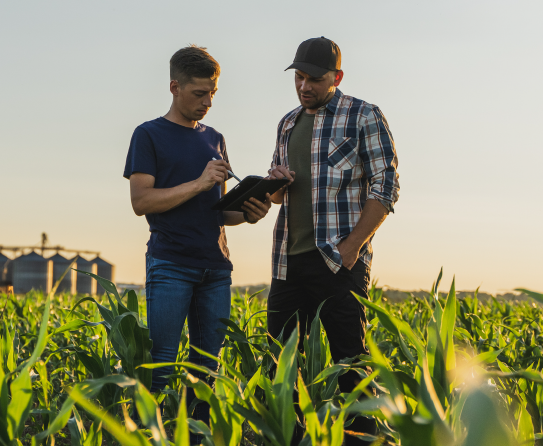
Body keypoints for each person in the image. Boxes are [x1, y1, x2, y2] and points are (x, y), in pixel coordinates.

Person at [266, 37, 399, 444]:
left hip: (339, 262)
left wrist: (352, 247)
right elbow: (275, 195)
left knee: (351, 366)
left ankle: (361, 440)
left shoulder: (363, 115)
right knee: (281, 367)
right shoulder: (287, 123)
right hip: (288, 262)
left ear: (336, 78)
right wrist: (274, 185)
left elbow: (386, 185)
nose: (305, 87)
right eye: (299, 78)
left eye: (315, 79)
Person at [123, 45, 274, 406]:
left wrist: (251, 212)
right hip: (171, 265)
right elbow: (141, 202)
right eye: (199, 93)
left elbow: (216, 211)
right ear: (174, 87)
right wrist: (200, 183)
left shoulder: (215, 139)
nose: (207, 101)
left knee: (207, 371)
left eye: (213, 93)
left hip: (216, 270)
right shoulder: (148, 135)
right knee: (160, 368)